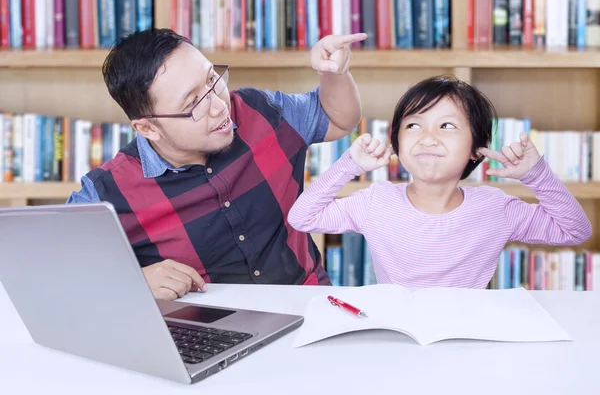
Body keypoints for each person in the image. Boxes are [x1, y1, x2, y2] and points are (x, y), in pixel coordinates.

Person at [67, 28, 368, 300]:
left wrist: (334, 73)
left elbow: (339, 118)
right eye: (193, 104)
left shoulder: (259, 111)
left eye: (212, 80)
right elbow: (45, 269)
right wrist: (132, 281)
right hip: (209, 336)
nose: (219, 105)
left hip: (309, 306)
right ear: (148, 128)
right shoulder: (107, 191)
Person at [287, 75, 592, 288]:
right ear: (397, 142)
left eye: (446, 125)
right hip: (397, 336)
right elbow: (302, 218)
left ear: (477, 146)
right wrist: (349, 165)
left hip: (467, 338)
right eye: (414, 125)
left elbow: (574, 230)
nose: (428, 138)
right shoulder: (376, 200)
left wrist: (536, 174)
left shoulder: (495, 208)